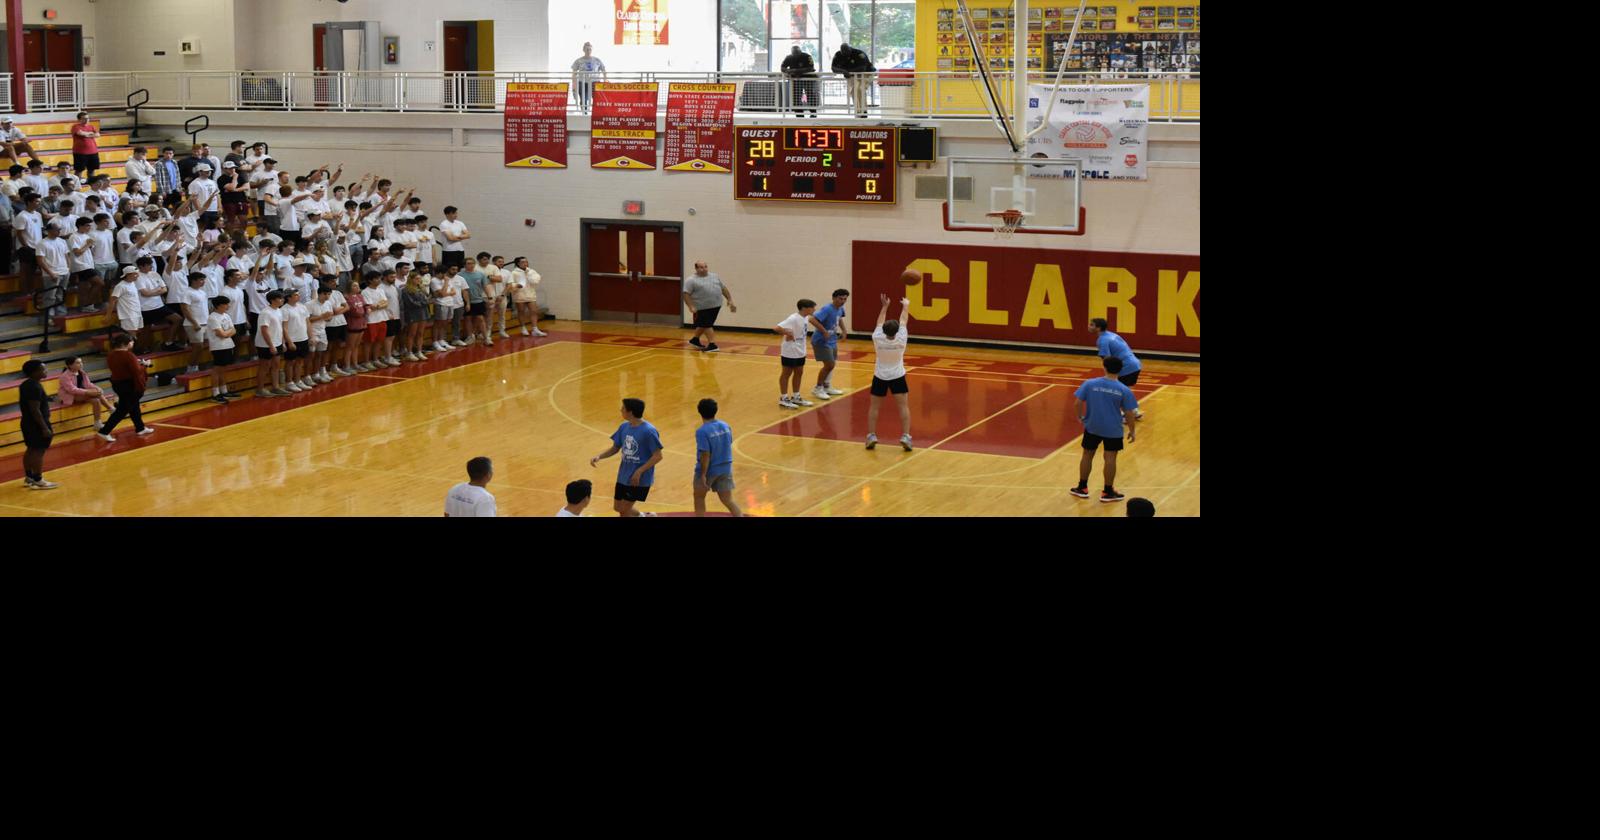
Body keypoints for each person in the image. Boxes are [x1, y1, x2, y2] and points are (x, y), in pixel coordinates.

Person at [1070, 356, 1140, 503]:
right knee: (1110, 458)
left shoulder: (1090, 384)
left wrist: (1080, 417)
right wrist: (1132, 430)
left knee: (1087, 455)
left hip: (1092, 426)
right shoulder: (1124, 390)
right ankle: (1108, 492)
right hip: (1113, 429)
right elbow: (1129, 413)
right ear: (1121, 370)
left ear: (1104, 366)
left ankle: (1082, 487)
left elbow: (1077, 403)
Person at [590, 398, 662, 517]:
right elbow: (615, 448)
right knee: (618, 507)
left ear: (630, 412)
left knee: (624, 510)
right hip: (623, 475)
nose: (621, 410)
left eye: (623, 408)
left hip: (638, 479)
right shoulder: (624, 427)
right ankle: (643, 516)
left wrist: (639, 471)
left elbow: (658, 456)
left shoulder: (649, 431)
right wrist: (599, 456)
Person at [866, 294, 912, 451]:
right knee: (903, 407)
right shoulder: (901, 338)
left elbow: (879, 321)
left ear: (884, 330)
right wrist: (905, 305)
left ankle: (871, 435)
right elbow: (904, 319)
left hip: (880, 377)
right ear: (897, 331)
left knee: (874, 407)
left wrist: (885, 306)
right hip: (898, 376)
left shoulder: (877, 337)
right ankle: (906, 436)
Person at [97, 333, 156, 441]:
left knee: (133, 406)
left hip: (118, 384)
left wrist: (137, 364)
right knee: (122, 410)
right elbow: (137, 371)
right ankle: (104, 431)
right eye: (132, 341)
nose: (133, 343)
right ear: (126, 343)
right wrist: (145, 365)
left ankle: (140, 428)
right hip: (129, 385)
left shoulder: (111, 354)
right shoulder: (128, 355)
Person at [1087, 317, 1145, 420]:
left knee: (1115, 391)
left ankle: (1123, 415)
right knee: (1125, 391)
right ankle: (1134, 412)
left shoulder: (1102, 340)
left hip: (1125, 367)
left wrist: (1108, 375)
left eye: (1091, 325)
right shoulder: (1112, 335)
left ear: (1098, 328)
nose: (1089, 326)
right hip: (1135, 365)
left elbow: (1108, 360)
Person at [693, 398, 743, 517]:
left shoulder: (702, 431)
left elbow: (705, 454)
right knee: (728, 500)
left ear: (699, 411)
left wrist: (703, 474)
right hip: (725, 468)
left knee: (699, 497)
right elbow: (729, 442)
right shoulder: (725, 426)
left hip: (710, 469)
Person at [18, 360, 57, 489]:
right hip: (36, 424)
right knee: (39, 451)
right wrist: (44, 427)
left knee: (31, 449)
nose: (46, 371)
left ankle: (29, 477)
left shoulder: (26, 384)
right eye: (43, 369)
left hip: (27, 423)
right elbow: (35, 409)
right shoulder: (34, 387)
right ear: (34, 372)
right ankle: (38, 480)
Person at [682, 261, 736, 352]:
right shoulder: (691, 280)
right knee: (707, 324)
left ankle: (695, 340)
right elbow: (686, 294)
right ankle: (712, 345)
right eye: (701, 267)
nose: (704, 269)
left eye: (705, 266)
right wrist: (690, 306)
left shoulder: (714, 276)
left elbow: (723, 288)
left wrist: (729, 299)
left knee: (703, 323)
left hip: (716, 305)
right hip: (701, 307)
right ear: (696, 269)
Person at [775, 298, 817, 409]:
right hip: (790, 350)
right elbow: (777, 328)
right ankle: (783, 398)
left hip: (800, 350)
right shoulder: (793, 318)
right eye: (812, 307)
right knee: (786, 373)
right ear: (804, 308)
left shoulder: (806, 318)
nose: (814, 309)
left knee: (799, 372)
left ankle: (796, 396)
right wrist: (786, 332)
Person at [809, 288, 849, 401]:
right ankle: (817, 388)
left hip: (832, 340)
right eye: (840, 298)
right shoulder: (827, 308)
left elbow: (839, 318)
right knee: (829, 365)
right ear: (834, 298)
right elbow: (812, 319)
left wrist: (844, 331)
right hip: (821, 341)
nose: (842, 301)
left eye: (845, 299)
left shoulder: (840, 308)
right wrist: (824, 331)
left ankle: (826, 386)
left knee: (832, 363)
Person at [58, 356, 117, 426]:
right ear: (70, 365)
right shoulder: (64, 376)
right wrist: (87, 392)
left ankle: (97, 422)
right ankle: (111, 409)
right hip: (70, 396)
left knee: (96, 400)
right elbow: (72, 390)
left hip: (81, 394)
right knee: (96, 394)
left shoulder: (81, 372)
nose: (81, 364)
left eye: (81, 362)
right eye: (78, 363)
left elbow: (88, 384)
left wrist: (97, 388)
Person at [253, 288, 288, 397]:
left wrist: (282, 342)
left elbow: (280, 328)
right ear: (272, 300)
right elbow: (264, 330)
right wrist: (271, 345)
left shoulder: (278, 310)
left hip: (277, 342)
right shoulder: (265, 313)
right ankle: (260, 389)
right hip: (265, 344)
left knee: (276, 365)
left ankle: (275, 387)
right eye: (280, 298)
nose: (282, 300)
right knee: (264, 366)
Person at [205, 295, 239, 402]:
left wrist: (226, 333)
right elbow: (221, 334)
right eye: (226, 304)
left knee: (224, 369)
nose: (228, 306)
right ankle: (215, 393)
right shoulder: (213, 317)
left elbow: (234, 330)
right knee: (217, 369)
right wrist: (227, 333)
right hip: (218, 347)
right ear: (219, 305)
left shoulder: (226, 315)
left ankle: (224, 390)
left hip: (228, 345)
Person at [831, 42, 876, 117]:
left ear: (850, 49)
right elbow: (833, 68)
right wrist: (843, 71)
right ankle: (859, 111)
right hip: (854, 75)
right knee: (854, 91)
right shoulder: (838, 55)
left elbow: (863, 68)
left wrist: (848, 72)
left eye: (847, 52)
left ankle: (863, 111)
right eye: (843, 53)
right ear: (841, 51)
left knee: (860, 89)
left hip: (867, 73)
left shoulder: (859, 53)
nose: (845, 54)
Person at [508, 257, 547, 337]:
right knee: (521, 312)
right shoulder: (514, 273)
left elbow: (536, 281)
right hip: (520, 294)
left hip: (530, 294)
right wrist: (516, 285)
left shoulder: (531, 271)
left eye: (526, 262)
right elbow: (510, 284)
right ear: (518, 263)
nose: (525, 263)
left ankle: (535, 329)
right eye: (523, 262)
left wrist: (528, 276)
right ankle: (523, 328)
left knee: (534, 311)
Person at [781, 45, 820, 117]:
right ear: (791, 53)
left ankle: (813, 113)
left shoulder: (807, 56)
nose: (795, 55)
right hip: (796, 80)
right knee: (796, 96)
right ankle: (799, 114)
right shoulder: (789, 57)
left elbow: (811, 68)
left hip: (808, 79)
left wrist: (796, 71)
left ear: (800, 52)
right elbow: (782, 68)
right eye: (794, 54)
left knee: (810, 95)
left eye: (797, 53)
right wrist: (788, 71)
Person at [571, 42, 608, 114]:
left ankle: (597, 114)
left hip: (595, 82)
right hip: (583, 82)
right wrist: (574, 84)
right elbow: (574, 73)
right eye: (587, 49)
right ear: (583, 50)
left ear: (592, 50)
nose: (588, 51)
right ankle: (584, 113)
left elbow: (604, 70)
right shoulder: (578, 60)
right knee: (583, 99)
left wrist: (605, 79)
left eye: (590, 49)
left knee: (598, 99)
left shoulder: (597, 60)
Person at [436, 206, 469, 270]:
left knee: (460, 268)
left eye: (456, 213)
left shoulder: (460, 223)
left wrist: (458, 237)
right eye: (453, 213)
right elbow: (451, 238)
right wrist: (462, 236)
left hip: (460, 250)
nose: (456, 215)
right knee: (448, 269)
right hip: (449, 251)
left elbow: (468, 235)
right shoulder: (444, 224)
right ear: (447, 214)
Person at [71, 112, 101, 181]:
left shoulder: (92, 126)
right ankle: (76, 184)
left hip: (93, 151)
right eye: (84, 119)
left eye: (87, 118)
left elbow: (98, 135)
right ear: (79, 120)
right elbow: (81, 133)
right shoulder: (75, 126)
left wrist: (87, 134)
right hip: (80, 152)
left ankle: (91, 183)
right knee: (79, 170)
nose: (86, 120)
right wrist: (91, 134)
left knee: (92, 170)